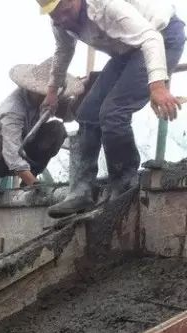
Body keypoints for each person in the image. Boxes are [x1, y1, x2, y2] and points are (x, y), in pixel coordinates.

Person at [40, 0, 185, 217]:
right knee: (87, 113)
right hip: (126, 51)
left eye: (65, 11)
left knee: (113, 112)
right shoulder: (60, 22)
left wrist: (157, 84)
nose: (62, 19)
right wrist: (52, 91)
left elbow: (151, 38)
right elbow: (63, 50)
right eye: (55, 15)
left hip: (161, 36)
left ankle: (125, 186)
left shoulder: (105, 6)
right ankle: (80, 191)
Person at [0, 62, 85, 190]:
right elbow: (12, 153)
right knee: (7, 143)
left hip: (25, 148)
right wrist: (37, 186)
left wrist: (80, 98)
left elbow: (68, 115)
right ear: (32, 90)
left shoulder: (49, 98)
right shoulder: (12, 108)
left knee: (57, 129)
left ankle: (30, 176)